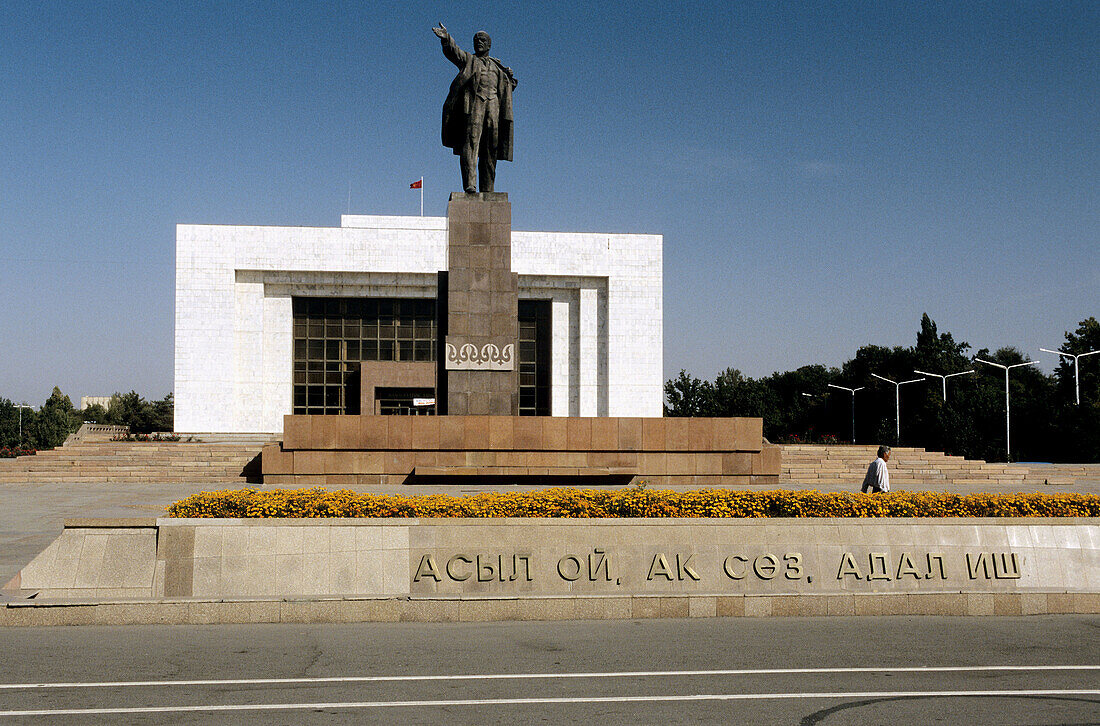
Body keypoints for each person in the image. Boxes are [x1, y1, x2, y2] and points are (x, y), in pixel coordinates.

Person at [432, 23, 517, 193]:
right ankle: (470, 184)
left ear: (489, 45)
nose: (479, 42)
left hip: (494, 106)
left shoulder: (498, 67)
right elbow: (454, 52)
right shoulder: (469, 60)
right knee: (471, 143)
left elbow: (508, 88)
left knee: (491, 147)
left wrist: (510, 80)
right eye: (476, 40)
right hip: (474, 105)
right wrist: (446, 39)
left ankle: (488, 188)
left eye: (483, 40)